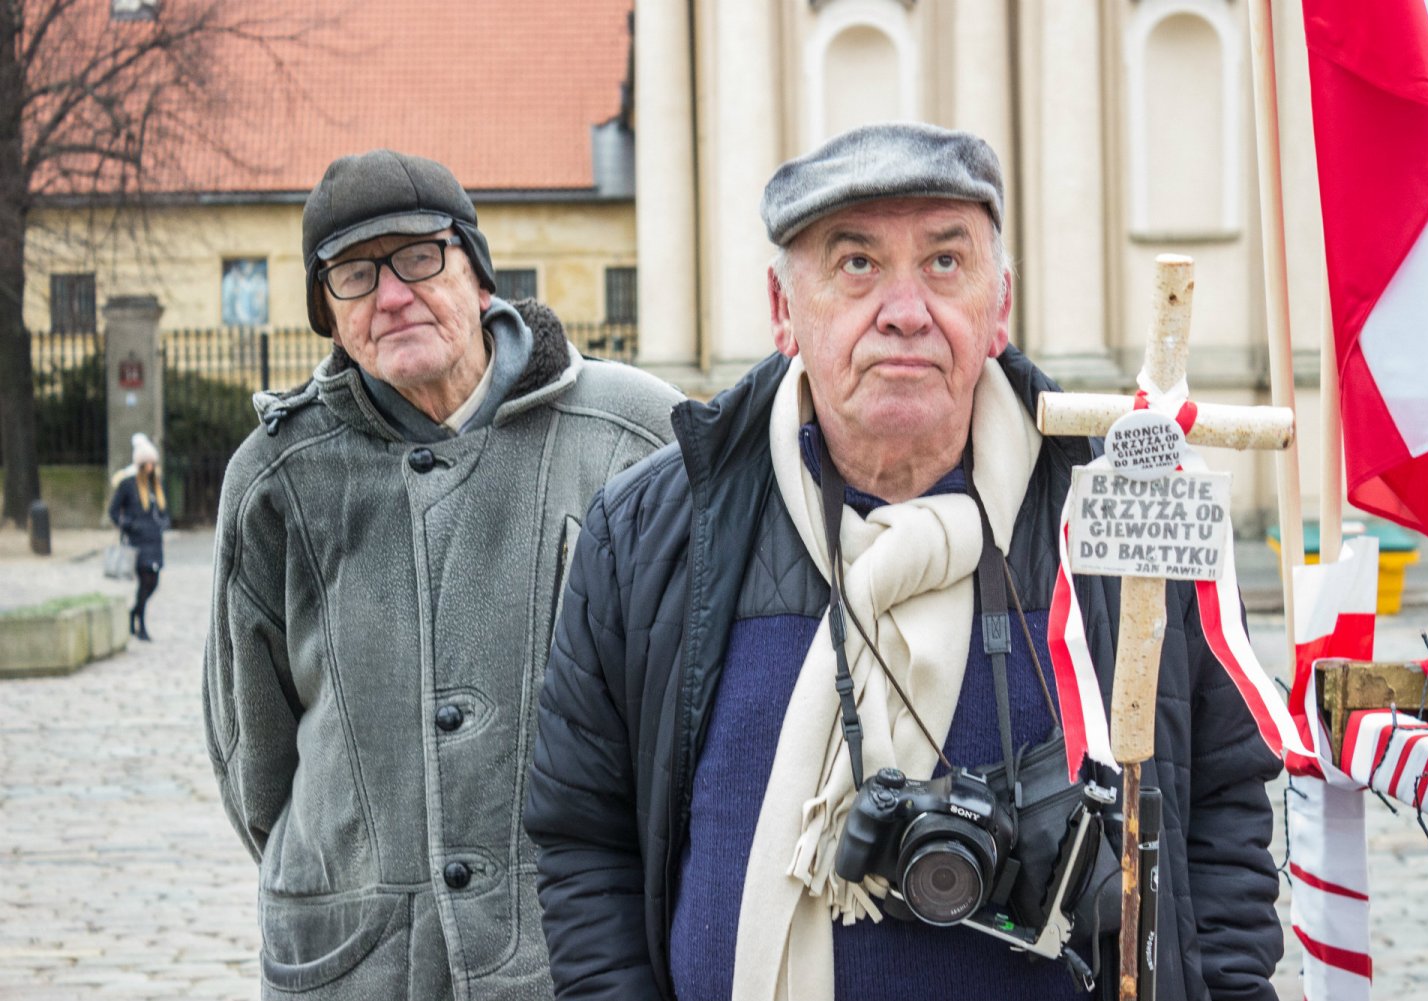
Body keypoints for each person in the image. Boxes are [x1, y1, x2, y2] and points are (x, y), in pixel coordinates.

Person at [525, 123, 1284, 1001]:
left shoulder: (1114, 515)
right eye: (855, 264)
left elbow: (1221, 808)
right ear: (782, 310)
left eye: (944, 262)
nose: (905, 308)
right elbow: (587, 838)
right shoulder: (657, 528)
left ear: (998, 307)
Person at [202, 149, 681, 1001]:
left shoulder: (634, 435)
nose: (391, 295)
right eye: (353, 275)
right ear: (330, 314)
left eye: (420, 257)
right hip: (358, 962)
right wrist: (348, 865)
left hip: (566, 953)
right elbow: (250, 750)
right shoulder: (277, 476)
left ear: (478, 274)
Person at [108, 432, 169, 641]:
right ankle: (140, 625)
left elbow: (163, 511)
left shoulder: (156, 485)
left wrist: (163, 523)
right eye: (147, 464)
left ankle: (134, 613)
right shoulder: (128, 485)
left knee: (154, 583)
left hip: (154, 540)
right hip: (138, 542)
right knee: (145, 582)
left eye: (153, 463)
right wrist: (129, 525)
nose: (151, 467)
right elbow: (114, 512)